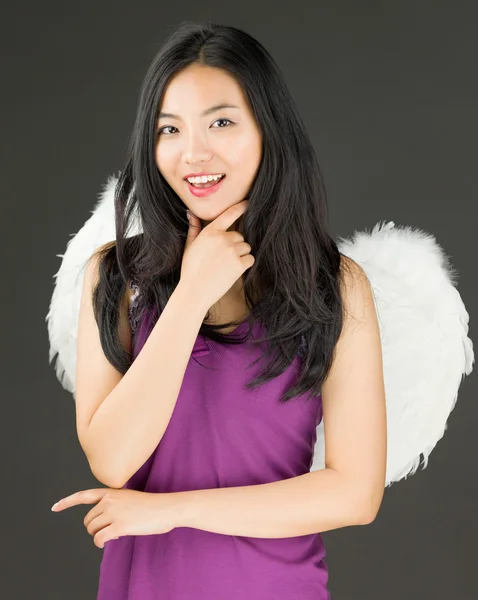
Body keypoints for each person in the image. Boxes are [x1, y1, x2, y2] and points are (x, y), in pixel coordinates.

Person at [47, 20, 474, 600]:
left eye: (221, 121)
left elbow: (353, 494)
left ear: (268, 130)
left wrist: (171, 511)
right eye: (169, 129)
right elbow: (114, 460)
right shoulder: (115, 277)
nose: (193, 152)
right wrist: (193, 292)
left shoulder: (335, 289)